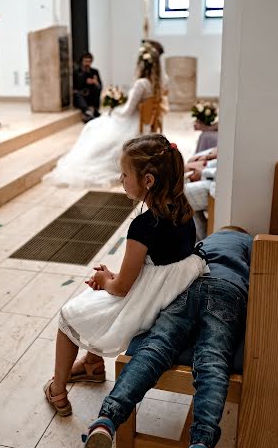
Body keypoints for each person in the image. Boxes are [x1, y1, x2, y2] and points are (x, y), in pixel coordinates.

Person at [71, 227, 252, 448]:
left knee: (156, 348)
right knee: (213, 361)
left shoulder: (208, 240)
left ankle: (105, 421)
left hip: (191, 286)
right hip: (228, 293)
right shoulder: (247, 242)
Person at [44, 134, 208, 416]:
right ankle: (93, 366)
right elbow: (157, 270)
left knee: (70, 314)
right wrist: (113, 280)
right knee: (98, 305)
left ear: (148, 181)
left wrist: (104, 279)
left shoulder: (144, 226)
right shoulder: (183, 211)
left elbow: (121, 288)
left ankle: (57, 390)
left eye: (124, 174)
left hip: (144, 309)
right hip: (167, 298)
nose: (121, 180)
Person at [44, 42, 165, 188]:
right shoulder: (154, 83)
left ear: (141, 65)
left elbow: (127, 111)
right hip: (137, 119)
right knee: (97, 124)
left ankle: (86, 160)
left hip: (130, 121)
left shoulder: (141, 83)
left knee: (93, 126)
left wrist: (113, 110)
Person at [184, 147, 217, 240]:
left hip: (216, 184)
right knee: (189, 164)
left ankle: (201, 238)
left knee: (178, 195)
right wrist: (207, 160)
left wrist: (203, 171)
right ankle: (199, 235)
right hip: (214, 169)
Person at [73, 52, 102, 123]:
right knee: (77, 94)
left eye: (89, 61)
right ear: (82, 61)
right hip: (81, 95)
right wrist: (85, 81)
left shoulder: (95, 71)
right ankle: (89, 111)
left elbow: (100, 86)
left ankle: (89, 111)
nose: (87, 63)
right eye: (85, 61)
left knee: (97, 88)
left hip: (91, 96)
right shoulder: (76, 72)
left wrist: (95, 82)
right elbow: (75, 86)